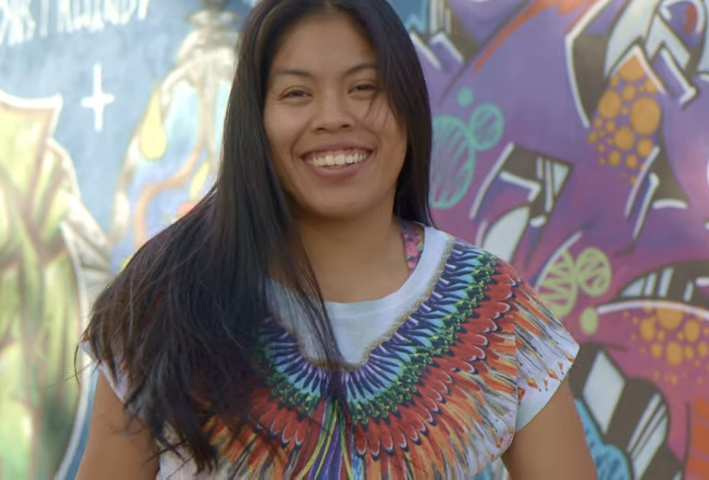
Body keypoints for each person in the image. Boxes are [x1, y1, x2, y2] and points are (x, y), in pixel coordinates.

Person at [76, 0, 597, 478]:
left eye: (364, 88)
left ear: (408, 106)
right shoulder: (165, 300)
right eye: (296, 93)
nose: (333, 117)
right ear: (255, 121)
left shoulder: (494, 311)